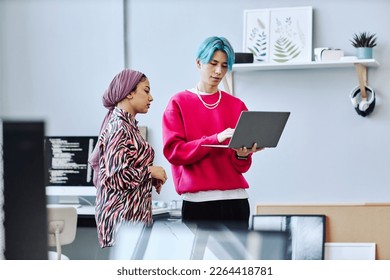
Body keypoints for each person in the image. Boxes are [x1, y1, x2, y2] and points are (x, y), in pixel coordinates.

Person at [162, 36, 260, 230]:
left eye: (224, 66)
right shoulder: (178, 102)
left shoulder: (236, 105)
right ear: (199, 62)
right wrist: (215, 138)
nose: (218, 71)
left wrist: (242, 154)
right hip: (198, 203)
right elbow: (174, 152)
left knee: (236, 260)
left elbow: (242, 166)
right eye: (213, 63)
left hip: (236, 200)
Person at [89, 68, 168, 248]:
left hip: (132, 221)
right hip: (122, 223)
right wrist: (149, 171)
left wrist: (149, 178)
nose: (151, 98)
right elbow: (116, 177)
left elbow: (127, 168)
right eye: (146, 91)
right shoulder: (119, 128)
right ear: (129, 93)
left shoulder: (128, 126)